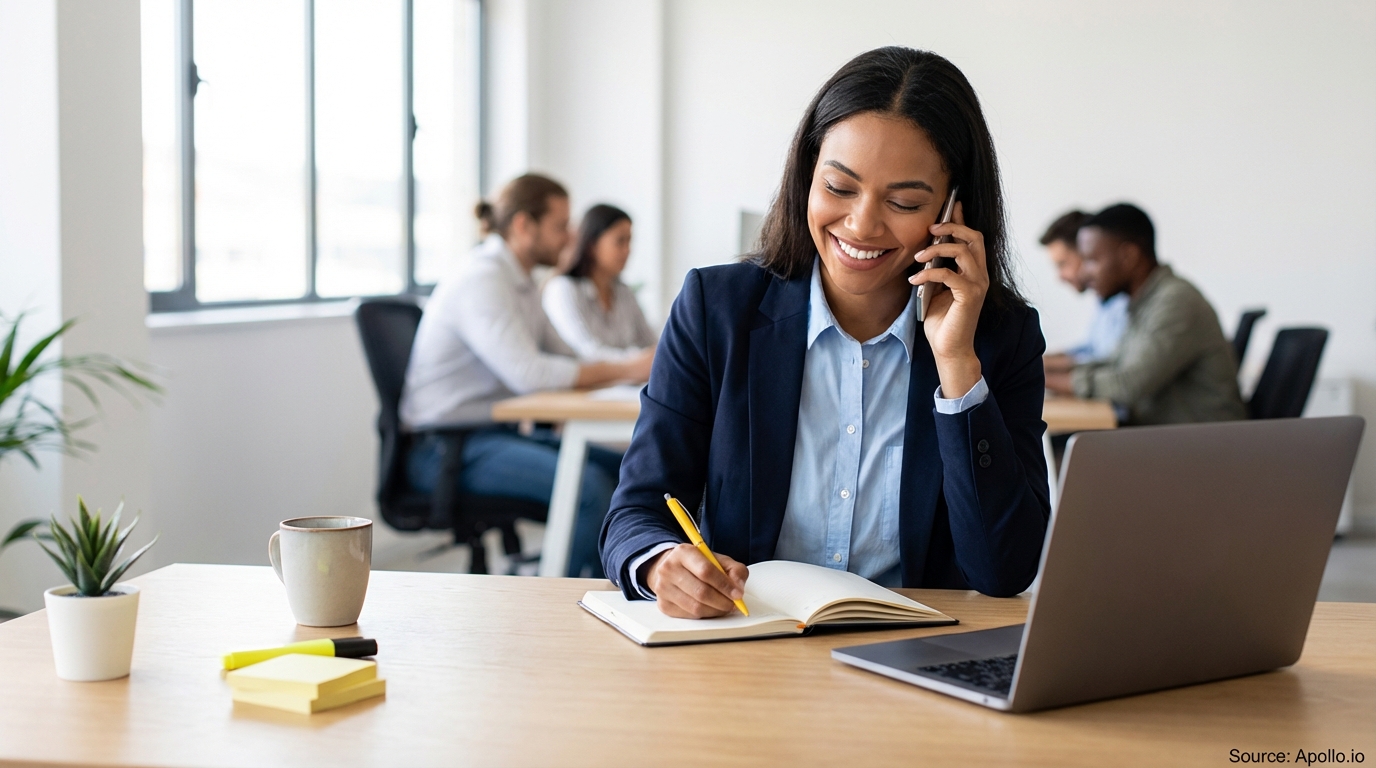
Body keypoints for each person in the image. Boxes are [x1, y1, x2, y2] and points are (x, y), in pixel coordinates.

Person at [599, 47, 1052, 618]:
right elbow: (637, 509)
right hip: (745, 652)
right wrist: (661, 562)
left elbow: (1005, 569)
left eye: (904, 201)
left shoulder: (1001, 337)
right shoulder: (718, 309)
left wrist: (957, 363)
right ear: (807, 176)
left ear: (954, 208)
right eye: (839, 188)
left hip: (915, 663)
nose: (861, 224)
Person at [400, 174, 654, 578]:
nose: (570, 237)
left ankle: (607, 586)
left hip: (494, 436)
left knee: (629, 468)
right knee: (586, 490)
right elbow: (530, 375)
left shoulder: (520, 283)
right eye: (560, 226)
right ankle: (561, 612)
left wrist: (625, 368)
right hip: (447, 449)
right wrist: (630, 367)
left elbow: (566, 356)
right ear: (523, 225)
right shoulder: (482, 279)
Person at [1044, 203, 1245, 425]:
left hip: (1207, 447)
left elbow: (1128, 385)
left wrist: (1038, 378)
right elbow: (1114, 364)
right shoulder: (1143, 303)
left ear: (1128, 255)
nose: (1086, 272)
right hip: (1171, 440)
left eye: (1092, 261)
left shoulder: (1175, 301)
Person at [542, 204, 658, 361]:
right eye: (620, 241)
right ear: (592, 245)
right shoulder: (563, 289)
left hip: (626, 383)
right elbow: (586, 352)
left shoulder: (624, 291)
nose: (628, 250)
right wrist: (640, 361)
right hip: (583, 384)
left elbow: (650, 342)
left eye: (629, 241)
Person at [1038, 210, 1128, 371]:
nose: (1060, 277)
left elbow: (1107, 364)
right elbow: (1089, 350)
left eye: (1063, 264)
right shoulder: (1104, 301)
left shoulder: (1126, 301)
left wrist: (1031, 365)